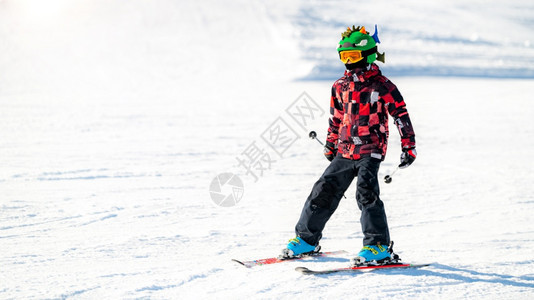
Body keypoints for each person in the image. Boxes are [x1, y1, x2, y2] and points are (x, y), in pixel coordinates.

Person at [282, 25, 416, 264]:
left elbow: (401, 115)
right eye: (343, 56)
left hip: (370, 149)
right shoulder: (339, 86)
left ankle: (378, 247)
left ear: (368, 55)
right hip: (345, 150)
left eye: (353, 56)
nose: (348, 62)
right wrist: (330, 144)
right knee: (323, 189)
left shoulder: (383, 86)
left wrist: (409, 146)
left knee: (366, 193)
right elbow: (336, 118)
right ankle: (305, 240)